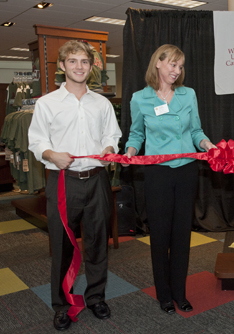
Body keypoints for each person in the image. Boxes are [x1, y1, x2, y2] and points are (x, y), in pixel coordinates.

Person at [28, 40, 122, 331]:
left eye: (84, 61)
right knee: (62, 246)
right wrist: (52, 154)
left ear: (91, 66)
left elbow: (112, 134)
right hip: (62, 182)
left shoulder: (102, 103)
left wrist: (108, 148)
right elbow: (37, 141)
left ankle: (96, 297)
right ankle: (61, 305)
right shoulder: (47, 103)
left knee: (97, 244)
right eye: (73, 61)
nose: (79, 66)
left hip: (97, 180)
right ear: (63, 66)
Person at [124, 44, 216, 315]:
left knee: (181, 236)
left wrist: (208, 145)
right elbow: (136, 134)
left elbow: (197, 131)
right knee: (160, 235)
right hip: (158, 174)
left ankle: (180, 292)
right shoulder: (140, 98)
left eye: (180, 66)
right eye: (173, 65)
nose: (177, 71)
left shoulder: (188, 95)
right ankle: (164, 295)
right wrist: (130, 151)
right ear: (158, 64)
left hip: (187, 171)